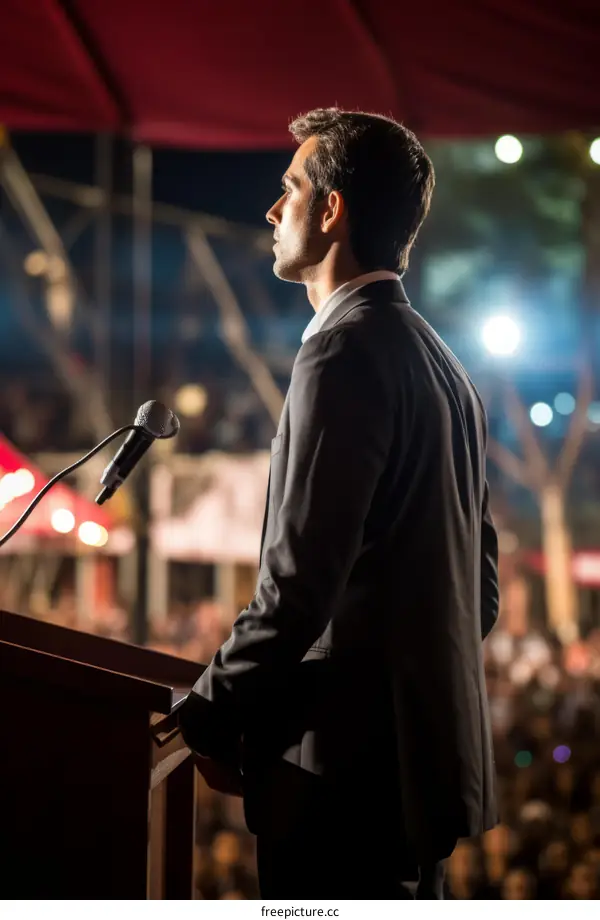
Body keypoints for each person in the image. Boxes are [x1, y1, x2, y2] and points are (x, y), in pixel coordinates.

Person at [179, 107, 499, 898]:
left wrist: (207, 715)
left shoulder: (343, 348)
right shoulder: (443, 364)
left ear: (330, 209)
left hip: (338, 786)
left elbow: (297, 585)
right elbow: (479, 594)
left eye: (290, 188)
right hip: (413, 782)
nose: (271, 209)